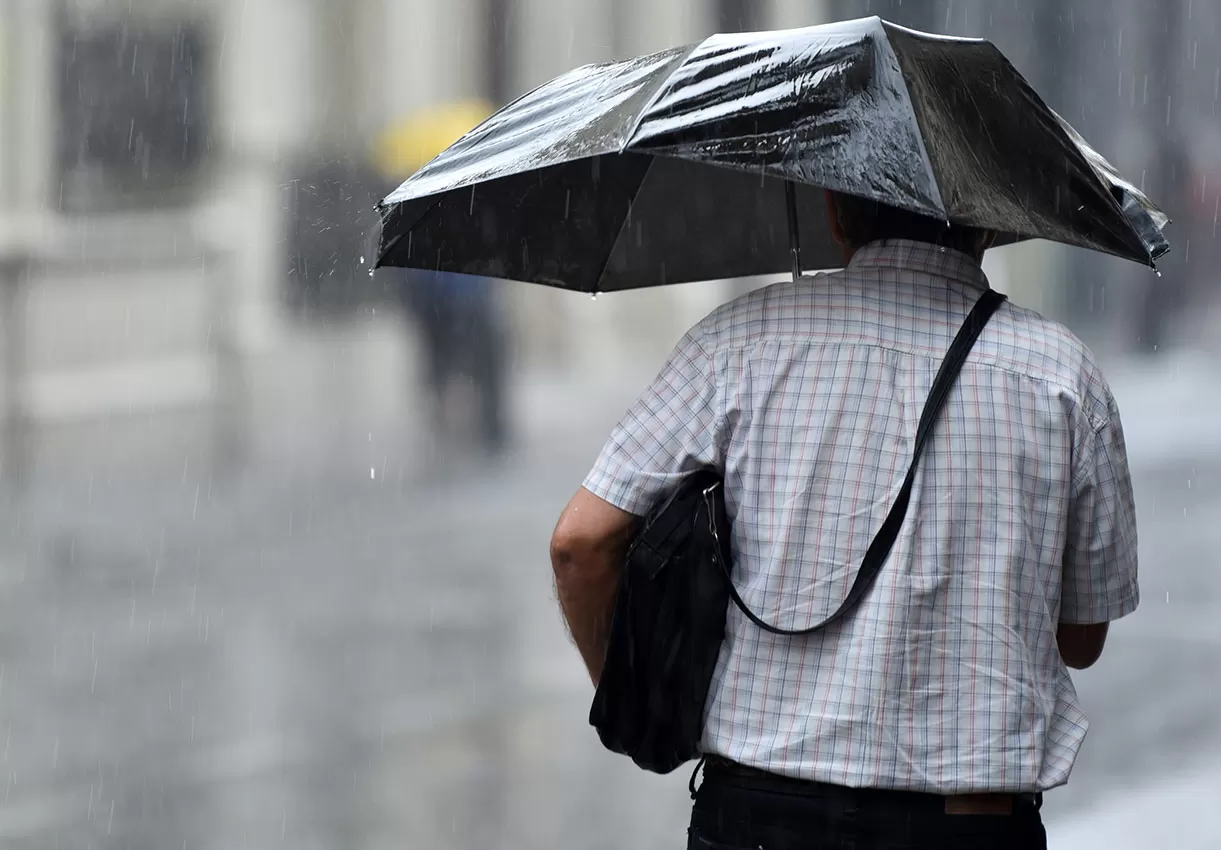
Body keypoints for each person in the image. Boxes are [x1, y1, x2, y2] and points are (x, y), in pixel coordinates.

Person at [549, 191, 1140, 850]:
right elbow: (1082, 638)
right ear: (989, 223)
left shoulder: (737, 341)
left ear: (833, 212)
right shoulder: (1062, 375)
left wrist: (627, 692)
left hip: (757, 815)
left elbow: (579, 543)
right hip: (966, 824)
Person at [399, 266, 509, 454]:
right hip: (444, 311)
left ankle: (486, 426)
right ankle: (463, 424)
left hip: (462, 308)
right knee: (448, 371)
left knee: (476, 368)